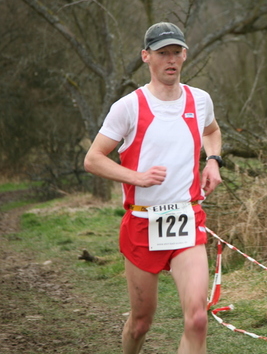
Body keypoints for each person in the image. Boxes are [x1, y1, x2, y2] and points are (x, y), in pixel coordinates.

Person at [84, 22, 223, 354]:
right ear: (146, 56)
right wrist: (136, 177)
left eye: (176, 52)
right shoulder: (128, 107)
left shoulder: (199, 100)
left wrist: (213, 160)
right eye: (162, 53)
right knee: (141, 322)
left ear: (185, 55)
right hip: (142, 223)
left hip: (187, 220)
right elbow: (93, 159)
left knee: (197, 319)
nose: (170, 60)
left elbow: (212, 131)